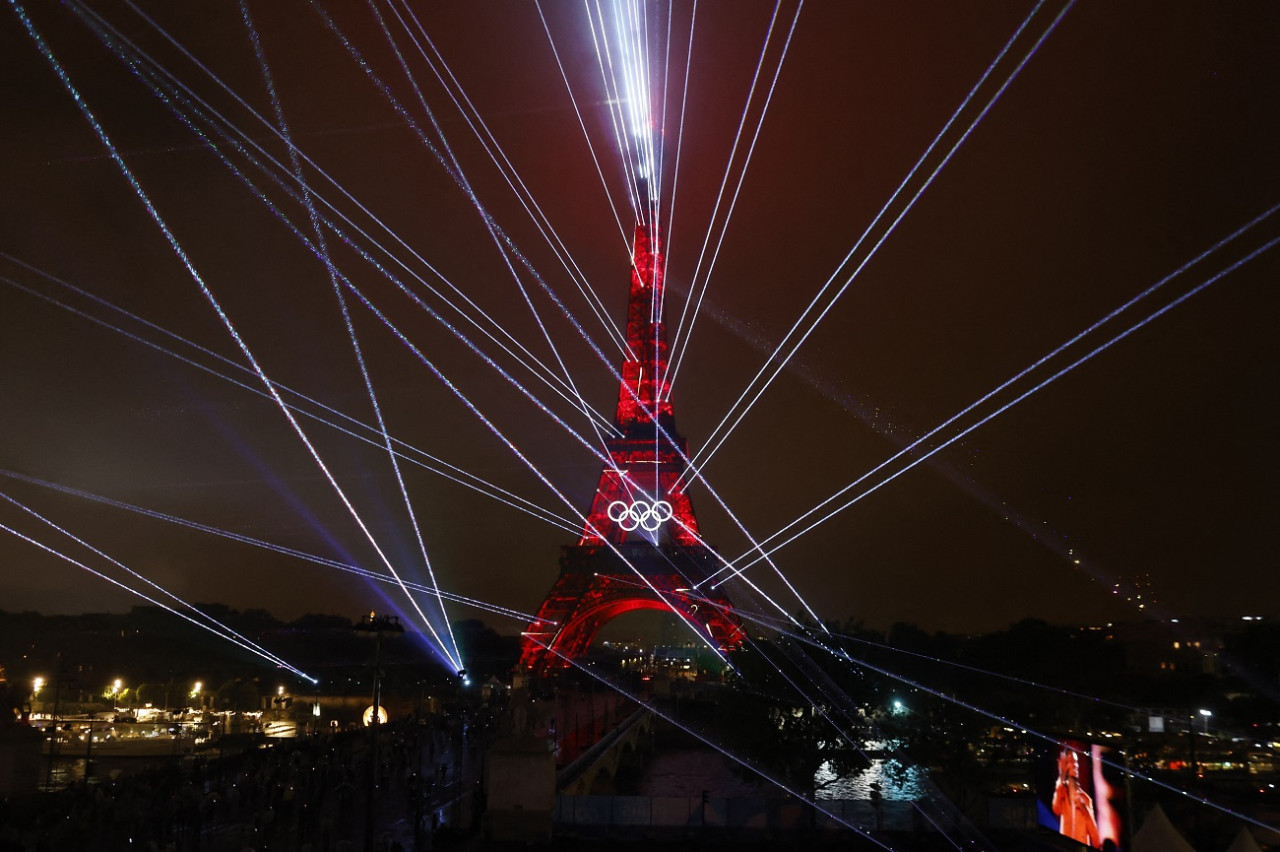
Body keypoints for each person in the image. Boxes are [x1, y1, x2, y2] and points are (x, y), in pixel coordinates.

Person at [1053, 746, 1100, 847]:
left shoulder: (1086, 799)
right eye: (1071, 761)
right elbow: (1056, 808)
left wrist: (1085, 810)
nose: (1075, 765)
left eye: (1076, 762)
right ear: (1064, 764)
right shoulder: (1062, 792)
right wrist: (1061, 775)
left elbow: (1096, 841)